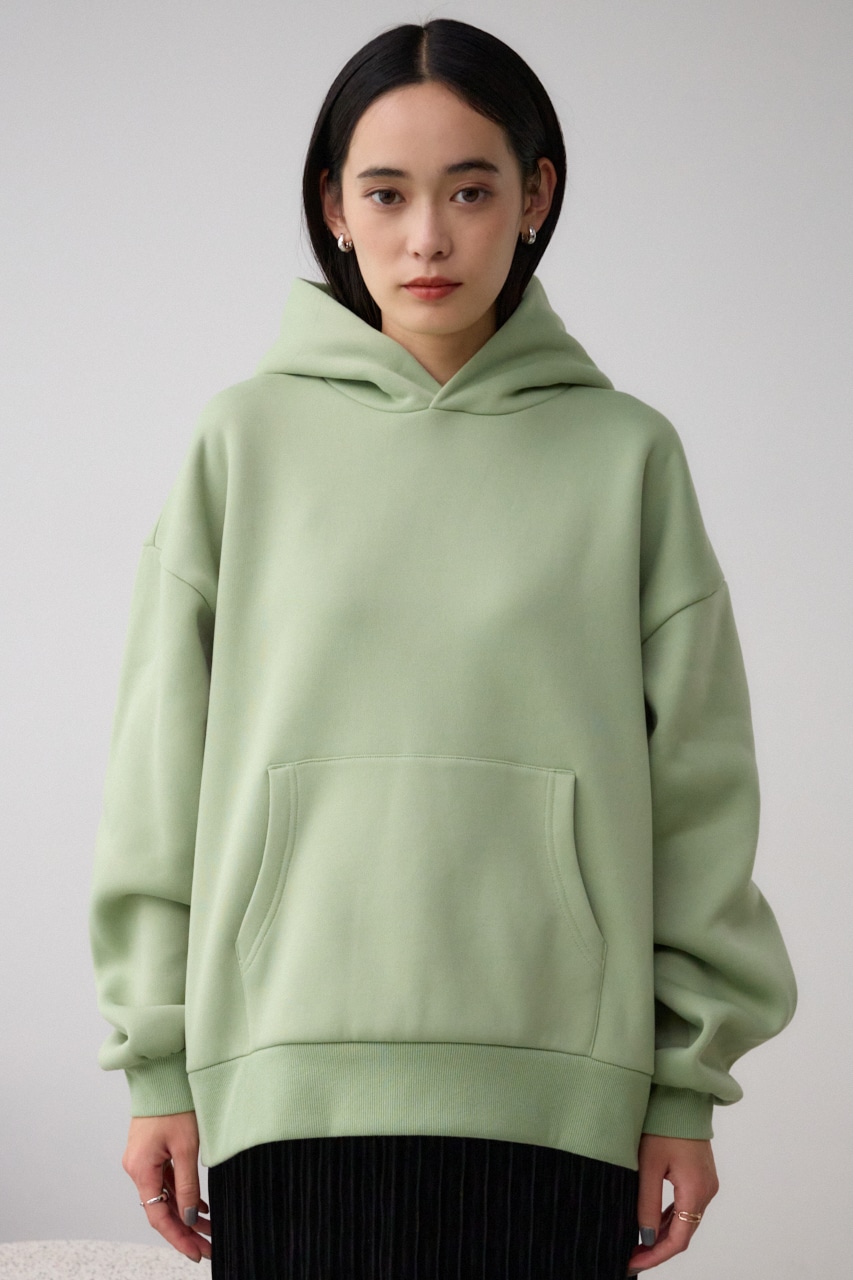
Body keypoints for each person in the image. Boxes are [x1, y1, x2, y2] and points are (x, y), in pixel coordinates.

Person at [89, 18, 798, 1280]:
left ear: (535, 197)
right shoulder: (241, 443)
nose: (426, 238)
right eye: (386, 193)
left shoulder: (625, 456)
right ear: (334, 207)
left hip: (559, 1094)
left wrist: (683, 1085)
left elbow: (697, 788)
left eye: (469, 191)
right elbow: (158, 775)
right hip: (283, 1085)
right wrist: (157, 1061)